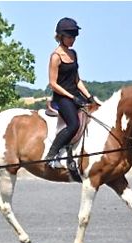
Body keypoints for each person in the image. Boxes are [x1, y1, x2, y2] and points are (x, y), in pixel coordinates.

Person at [46, 17, 95, 166]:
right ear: (61, 36)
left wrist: (89, 97)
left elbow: (77, 81)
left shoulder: (73, 54)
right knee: (73, 124)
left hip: (76, 95)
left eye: (74, 36)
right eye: (70, 36)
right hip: (62, 97)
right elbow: (53, 84)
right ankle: (52, 153)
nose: (73, 39)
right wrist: (72, 97)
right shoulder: (55, 57)